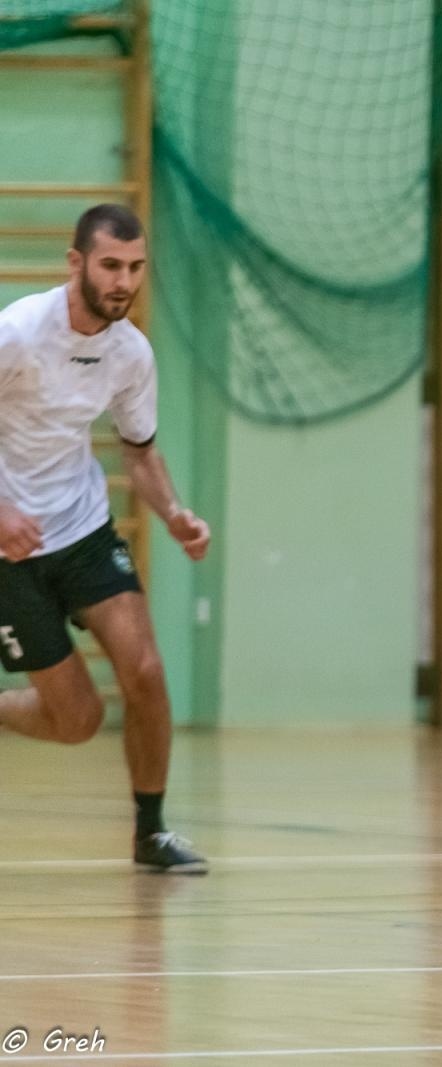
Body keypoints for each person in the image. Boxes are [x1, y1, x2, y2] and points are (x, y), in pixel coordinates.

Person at [0, 204, 211, 873]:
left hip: (83, 527)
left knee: (146, 671)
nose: (124, 281)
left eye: (136, 268)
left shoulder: (129, 354)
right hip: (10, 548)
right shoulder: (17, 334)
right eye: (111, 265)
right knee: (78, 720)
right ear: (76, 263)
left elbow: (139, 453)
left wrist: (175, 512)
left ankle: (151, 832)